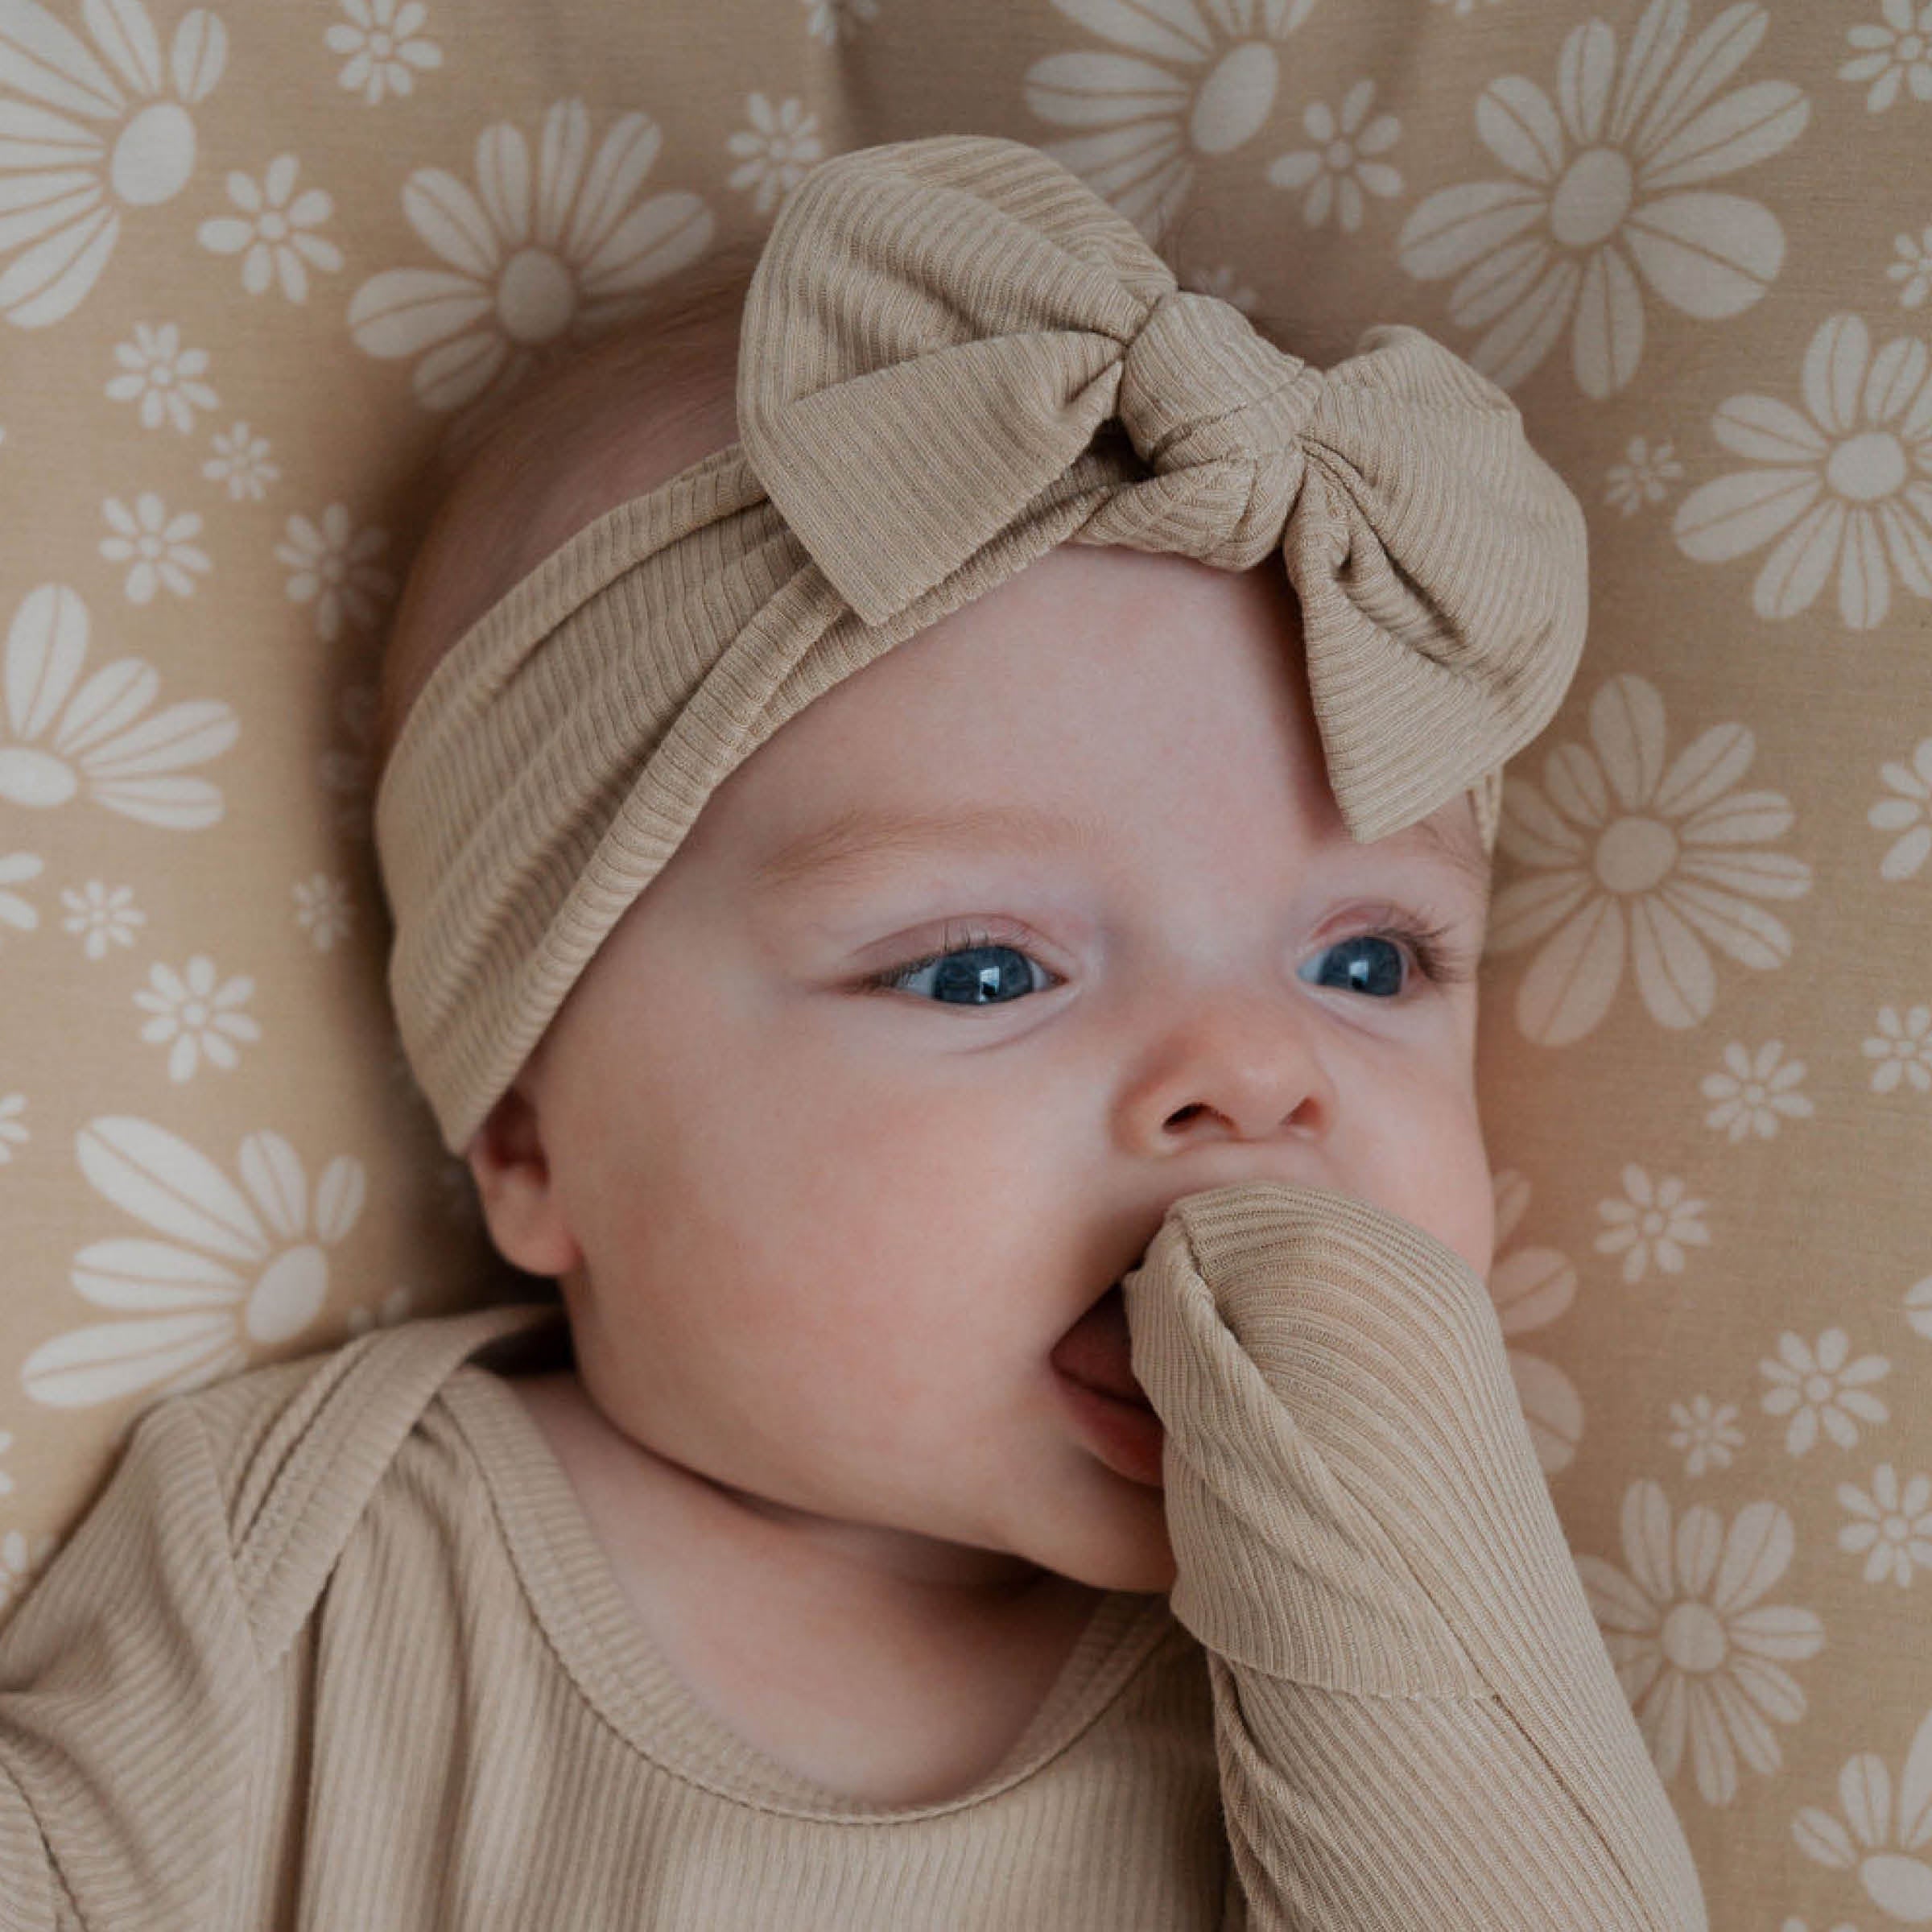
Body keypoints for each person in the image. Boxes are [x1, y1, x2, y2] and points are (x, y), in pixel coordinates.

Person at [0, 134, 1707, 1928]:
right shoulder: (315, 1545)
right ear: (527, 1135)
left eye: (1368, 964)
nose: (1259, 1075)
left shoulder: (1373, 1654)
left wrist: (1401, 1533)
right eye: (982, 971)